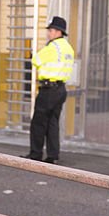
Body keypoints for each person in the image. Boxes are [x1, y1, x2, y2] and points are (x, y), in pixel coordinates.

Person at [24, 16, 74, 164]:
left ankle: (35, 154)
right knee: (53, 123)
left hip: (48, 90)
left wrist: (35, 54)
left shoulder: (53, 47)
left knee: (38, 123)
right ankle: (53, 156)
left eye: (51, 30)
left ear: (59, 32)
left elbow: (36, 61)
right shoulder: (68, 48)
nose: (49, 33)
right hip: (60, 89)